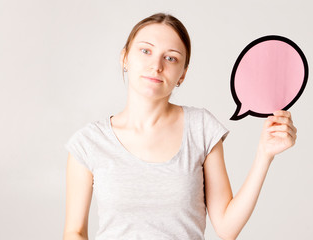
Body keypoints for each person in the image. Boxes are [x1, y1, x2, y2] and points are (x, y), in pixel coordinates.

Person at [63, 12, 297, 240]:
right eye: (145, 51)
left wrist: (264, 156)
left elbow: (227, 228)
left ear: (182, 74)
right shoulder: (89, 142)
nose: (156, 65)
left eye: (171, 57)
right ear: (125, 58)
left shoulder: (201, 128)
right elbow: (74, 232)